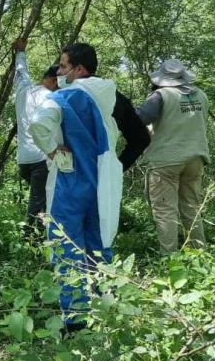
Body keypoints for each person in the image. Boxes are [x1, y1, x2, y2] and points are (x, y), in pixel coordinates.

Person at [29, 42, 149, 333]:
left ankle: (75, 321)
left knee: (67, 248)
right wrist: (116, 166)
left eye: (62, 66)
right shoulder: (114, 97)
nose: (58, 72)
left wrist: (54, 151)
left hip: (68, 185)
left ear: (79, 69)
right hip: (103, 186)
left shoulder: (63, 97)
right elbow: (141, 139)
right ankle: (104, 311)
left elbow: (38, 124)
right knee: (100, 246)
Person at [136, 59, 210, 254]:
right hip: (196, 157)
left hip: (166, 161)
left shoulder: (160, 96)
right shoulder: (200, 95)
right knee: (191, 207)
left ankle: (169, 258)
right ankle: (199, 254)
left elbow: (141, 119)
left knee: (165, 210)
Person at [12, 37, 59, 239]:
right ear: (54, 80)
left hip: (23, 160)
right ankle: (30, 241)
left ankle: (42, 237)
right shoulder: (52, 98)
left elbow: (21, 71)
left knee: (42, 200)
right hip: (41, 160)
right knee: (38, 203)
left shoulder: (24, 90)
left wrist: (20, 52)